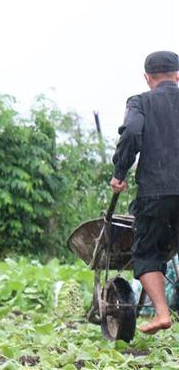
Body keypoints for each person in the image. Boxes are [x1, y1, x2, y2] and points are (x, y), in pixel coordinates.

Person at [109, 49, 179, 335]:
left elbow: (131, 133)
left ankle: (162, 313)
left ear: (148, 78)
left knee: (148, 251)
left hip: (155, 192)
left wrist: (120, 173)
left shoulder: (140, 102)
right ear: (177, 76)